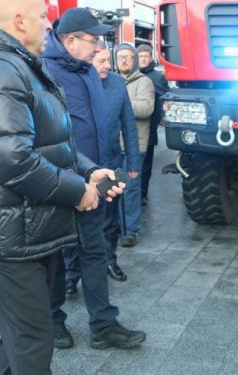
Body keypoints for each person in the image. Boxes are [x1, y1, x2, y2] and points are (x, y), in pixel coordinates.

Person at [0, 1, 124, 373]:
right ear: (19, 21)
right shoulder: (7, 69)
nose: (47, 26)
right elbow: (12, 157)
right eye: (41, 18)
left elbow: (55, 143)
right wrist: (77, 190)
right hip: (15, 234)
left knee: (16, 342)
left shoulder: (24, 65)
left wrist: (89, 171)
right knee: (34, 343)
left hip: (32, 227)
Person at [41, 7, 146, 349]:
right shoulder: (43, 71)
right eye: (94, 40)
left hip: (95, 177)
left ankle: (103, 325)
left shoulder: (88, 72)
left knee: (95, 250)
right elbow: (46, 135)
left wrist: (104, 172)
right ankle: (54, 322)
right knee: (55, 255)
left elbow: (104, 125)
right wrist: (72, 178)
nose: (101, 48)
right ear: (69, 41)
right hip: (59, 180)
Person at [93, 42, 141, 281]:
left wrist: (132, 164)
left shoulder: (116, 84)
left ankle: (110, 262)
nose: (107, 66)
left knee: (110, 218)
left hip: (111, 161)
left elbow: (129, 126)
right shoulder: (77, 83)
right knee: (78, 219)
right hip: (82, 163)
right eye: (100, 61)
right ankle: (71, 274)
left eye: (107, 60)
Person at [115, 43, 155, 247]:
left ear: (136, 60)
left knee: (130, 189)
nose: (124, 60)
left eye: (129, 57)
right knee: (113, 189)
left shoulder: (144, 82)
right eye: (120, 57)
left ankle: (131, 231)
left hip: (134, 147)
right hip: (113, 145)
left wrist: (120, 103)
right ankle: (117, 227)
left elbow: (146, 108)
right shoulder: (111, 81)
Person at [137, 44, 169, 206]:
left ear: (151, 58)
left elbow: (164, 97)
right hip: (131, 127)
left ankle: (142, 193)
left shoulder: (158, 77)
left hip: (149, 127)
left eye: (145, 56)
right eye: (140, 56)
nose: (143, 59)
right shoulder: (130, 74)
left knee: (145, 163)